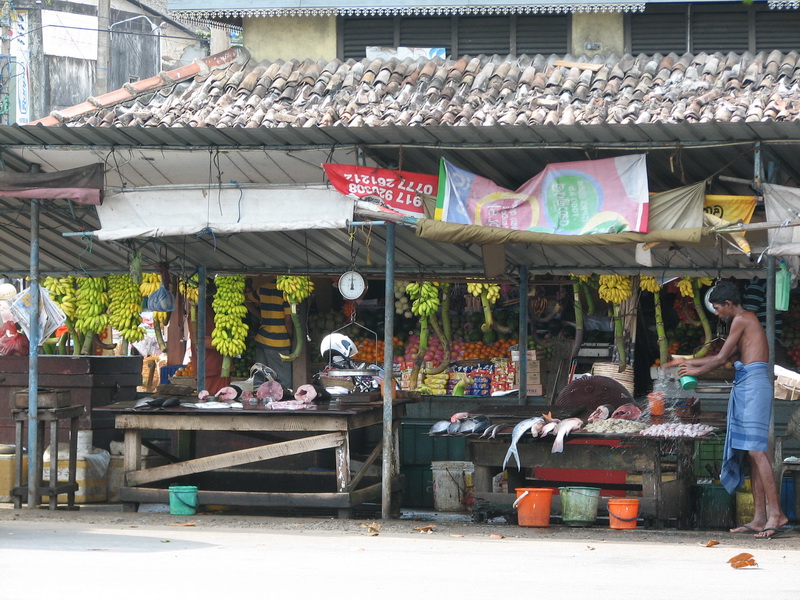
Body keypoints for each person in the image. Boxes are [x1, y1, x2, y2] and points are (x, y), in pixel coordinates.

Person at [664, 281, 789, 538]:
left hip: (754, 385)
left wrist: (695, 370)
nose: (717, 313)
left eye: (718, 308)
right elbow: (720, 356)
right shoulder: (743, 319)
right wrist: (684, 361)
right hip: (748, 384)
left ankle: (777, 513)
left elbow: (721, 358)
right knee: (751, 453)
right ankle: (759, 517)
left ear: (729, 304)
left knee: (757, 452)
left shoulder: (743, 318)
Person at [246, 276, 293, 388]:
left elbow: (247, 300)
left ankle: (258, 402)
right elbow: (288, 320)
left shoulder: (263, 289)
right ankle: (282, 403)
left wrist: (260, 316)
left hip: (262, 338)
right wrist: (290, 337)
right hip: (278, 342)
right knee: (284, 382)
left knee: (258, 380)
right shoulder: (286, 293)